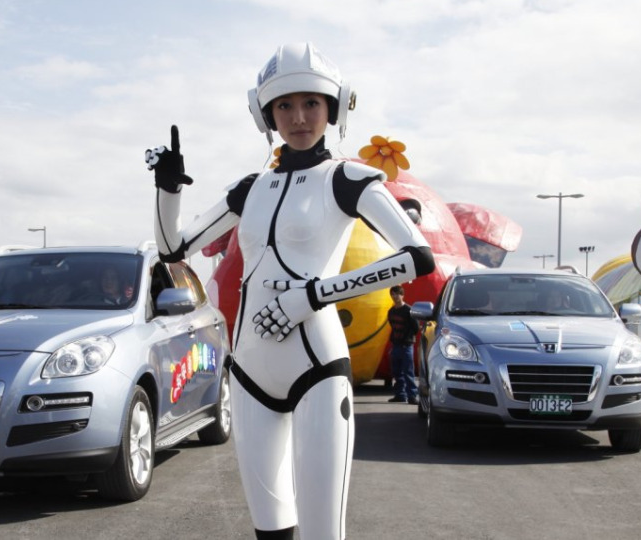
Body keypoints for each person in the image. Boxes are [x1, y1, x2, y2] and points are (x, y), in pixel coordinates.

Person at [145, 42, 435, 540]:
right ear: (266, 114)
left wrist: (313, 295)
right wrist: (167, 189)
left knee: (323, 532)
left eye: (311, 103)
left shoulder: (347, 179)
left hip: (317, 367)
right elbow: (174, 250)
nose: (298, 117)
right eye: (284, 105)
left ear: (334, 108)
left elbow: (417, 257)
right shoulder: (250, 187)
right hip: (250, 371)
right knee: (270, 530)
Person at [387, 285, 419, 404]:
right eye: (392, 294)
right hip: (396, 345)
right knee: (397, 372)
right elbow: (392, 326)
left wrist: (407, 339)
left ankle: (412, 396)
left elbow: (416, 327)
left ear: (402, 295)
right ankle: (400, 395)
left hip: (406, 346)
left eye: (397, 294)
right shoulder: (391, 311)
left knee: (408, 372)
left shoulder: (409, 310)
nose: (394, 296)